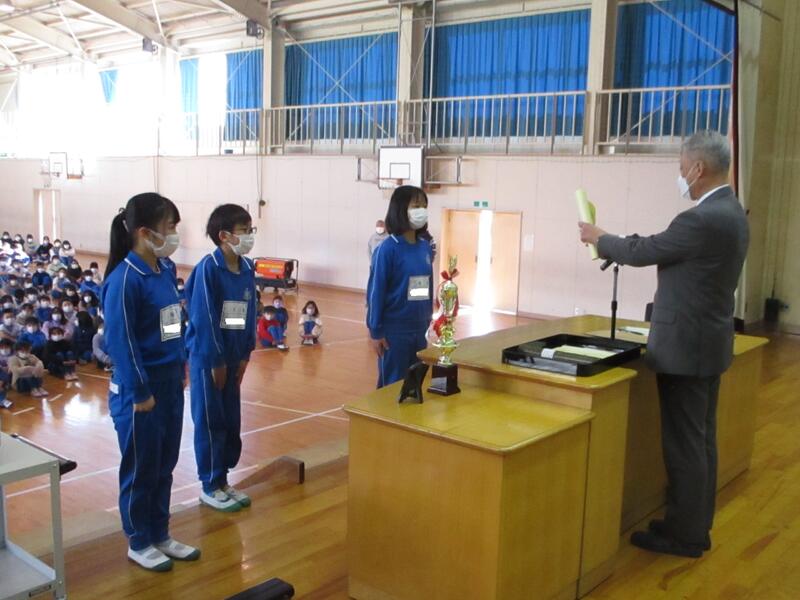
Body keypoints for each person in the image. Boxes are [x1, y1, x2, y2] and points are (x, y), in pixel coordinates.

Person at [578, 131, 749, 559]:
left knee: (684, 445)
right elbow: (661, 247)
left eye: (681, 167)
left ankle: (685, 535)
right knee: (701, 441)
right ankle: (692, 524)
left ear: (698, 168)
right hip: (709, 342)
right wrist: (617, 240)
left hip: (685, 348)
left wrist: (600, 238)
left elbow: (645, 251)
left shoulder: (700, 219)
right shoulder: (733, 212)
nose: (680, 174)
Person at [101, 192, 200, 572]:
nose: (175, 234)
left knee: (164, 464)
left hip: (170, 381)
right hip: (139, 390)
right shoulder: (124, 279)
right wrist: (140, 391)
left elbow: (172, 323)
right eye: (170, 227)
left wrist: (181, 364)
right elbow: (121, 342)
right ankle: (138, 540)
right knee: (141, 468)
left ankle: (160, 532)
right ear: (144, 232)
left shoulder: (164, 269)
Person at [185, 204, 257, 513]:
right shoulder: (208, 269)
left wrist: (244, 355)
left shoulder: (247, 268)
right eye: (244, 231)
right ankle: (209, 484)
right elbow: (204, 318)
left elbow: (248, 315)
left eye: (251, 230)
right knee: (210, 420)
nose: (250, 236)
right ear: (224, 236)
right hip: (208, 360)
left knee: (230, 420)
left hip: (234, 357)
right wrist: (216, 361)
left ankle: (223, 479)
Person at [366, 185, 434, 388]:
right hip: (394, 331)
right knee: (393, 386)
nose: (421, 210)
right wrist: (376, 330)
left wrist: (428, 318)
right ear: (400, 209)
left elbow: (426, 285)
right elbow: (376, 292)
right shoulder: (387, 249)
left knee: (415, 385)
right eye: (416, 205)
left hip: (419, 328)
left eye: (424, 206)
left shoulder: (424, 247)